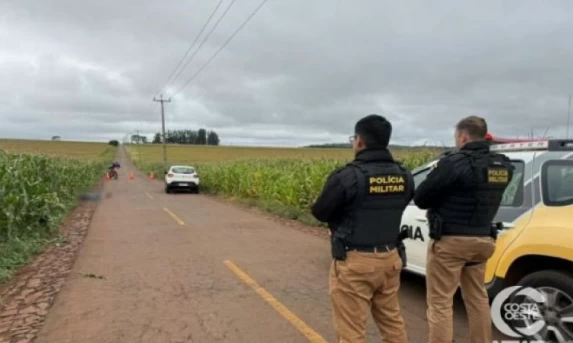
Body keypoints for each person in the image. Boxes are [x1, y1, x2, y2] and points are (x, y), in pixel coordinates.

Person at [311, 114, 414, 343]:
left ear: (359, 141)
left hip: (356, 262)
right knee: (392, 323)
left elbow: (320, 211)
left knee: (351, 331)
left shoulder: (347, 176)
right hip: (391, 258)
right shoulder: (404, 175)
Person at [413, 116, 514, 343]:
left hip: (451, 242)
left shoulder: (454, 163)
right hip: (483, 240)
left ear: (463, 136)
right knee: (477, 297)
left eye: (456, 136)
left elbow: (421, 198)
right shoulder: (503, 164)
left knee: (440, 303)